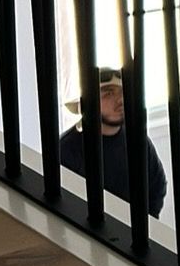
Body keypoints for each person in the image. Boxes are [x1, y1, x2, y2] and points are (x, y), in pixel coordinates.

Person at [59, 67, 168, 218]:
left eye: (123, 92)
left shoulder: (137, 139)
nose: (120, 100)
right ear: (89, 101)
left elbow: (157, 185)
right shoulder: (67, 149)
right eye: (108, 93)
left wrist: (141, 223)